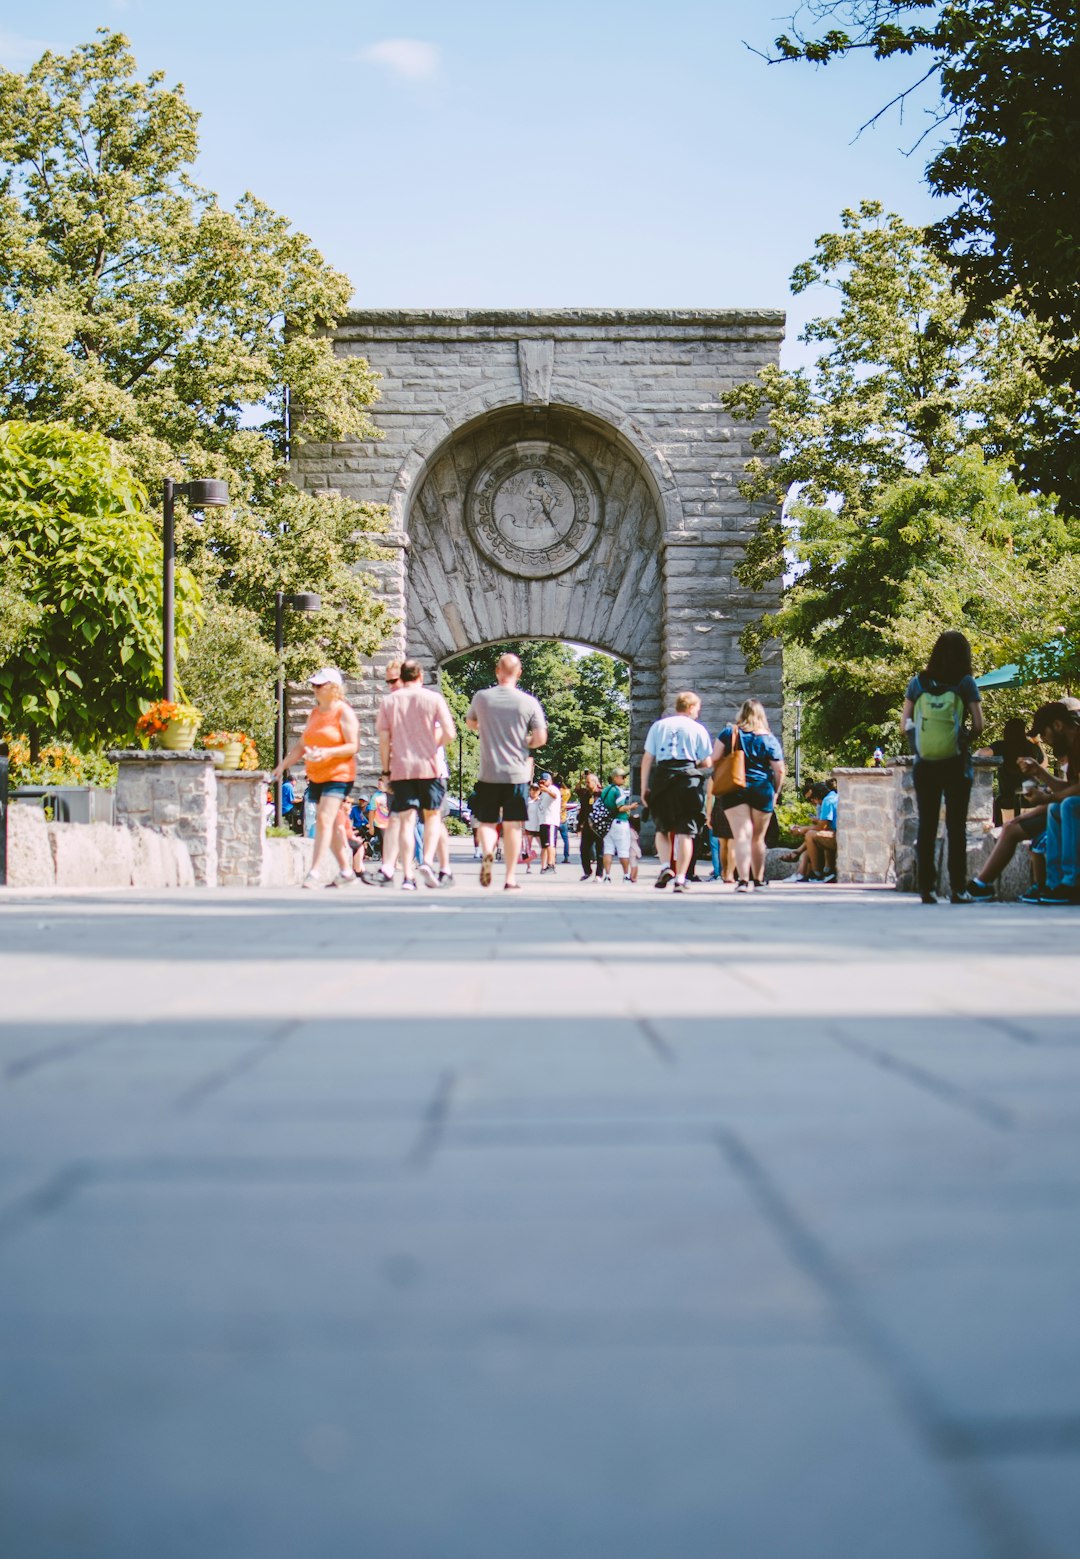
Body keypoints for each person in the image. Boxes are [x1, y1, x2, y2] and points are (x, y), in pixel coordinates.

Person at [902, 630, 983, 903]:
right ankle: (958, 889)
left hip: (925, 765)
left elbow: (904, 725)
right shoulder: (965, 682)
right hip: (956, 764)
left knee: (926, 825)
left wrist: (921, 745)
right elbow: (979, 725)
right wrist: (961, 741)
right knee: (956, 827)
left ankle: (927, 888)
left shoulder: (919, 682)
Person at [364, 658, 456, 891]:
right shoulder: (433, 699)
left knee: (405, 820)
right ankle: (426, 861)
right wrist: (430, 746)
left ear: (403, 678)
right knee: (433, 817)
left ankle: (407, 876)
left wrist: (386, 769)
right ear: (421, 676)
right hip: (430, 767)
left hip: (401, 768)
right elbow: (449, 733)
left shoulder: (390, 701)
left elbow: (384, 739)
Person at [465, 653, 548, 890]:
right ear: (519, 672)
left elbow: (471, 723)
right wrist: (524, 742)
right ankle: (510, 878)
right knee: (513, 825)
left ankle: (488, 852)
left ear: (497, 671)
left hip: (489, 773)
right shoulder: (528, 702)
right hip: (517, 774)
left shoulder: (482, 698)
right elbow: (541, 738)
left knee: (488, 822)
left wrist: (486, 726)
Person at [271, 667, 359, 889]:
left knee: (323, 819)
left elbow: (353, 746)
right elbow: (303, 744)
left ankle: (314, 871)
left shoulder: (343, 712)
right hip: (317, 775)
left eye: (319, 685)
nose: (314, 689)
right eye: (313, 685)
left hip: (339, 774)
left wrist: (328, 752)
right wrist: (282, 766)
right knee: (335, 824)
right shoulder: (315, 713)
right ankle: (346, 871)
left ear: (334, 688)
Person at [641, 691, 713, 893]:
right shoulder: (698, 729)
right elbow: (707, 762)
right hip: (688, 779)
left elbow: (647, 758)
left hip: (663, 777)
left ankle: (665, 867)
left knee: (662, 829)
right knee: (686, 832)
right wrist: (691, 765)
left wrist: (644, 787)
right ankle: (681, 878)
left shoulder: (659, 726)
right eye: (697, 708)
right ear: (690, 707)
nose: (698, 712)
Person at [712, 699, 786, 893]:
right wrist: (776, 792)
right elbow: (779, 770)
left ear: (741, 713)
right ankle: (759, 879)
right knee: (758, 839)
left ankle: (743, 880)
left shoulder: (729, 733)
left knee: (741, 836)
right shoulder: (768, 738)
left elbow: (714, 758)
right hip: (762, 788)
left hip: (735, 788)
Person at [1014, 701, 1080, 904]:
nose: (1043, 740)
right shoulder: (1073, 748)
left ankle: (1071, 882)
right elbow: (1070, 787)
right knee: (1055, 807)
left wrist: (1049, 797)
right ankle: (1053, 883)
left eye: (1044, 732)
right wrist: (1040, 772)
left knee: (1067, 805)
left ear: (1058, 725)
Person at [977, 717, 1044, 825]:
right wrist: (1037, 743)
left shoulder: (1001, 746)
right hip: (1031, 796)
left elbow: (982, 754)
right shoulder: (1031, 747)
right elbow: (1043, 762)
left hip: (1007, 797)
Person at [600, 767, 636, 881]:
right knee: (623, 850)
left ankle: (607, 875)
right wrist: (631, 807)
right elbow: (620, 808)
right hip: (620, 822)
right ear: (615, 778)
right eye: (623, 777)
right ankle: (626, 875)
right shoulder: (618, 790)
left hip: (607, 823)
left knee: (608, 850)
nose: (624, 779)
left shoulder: (605, 790)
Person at [576, 770, 603, 880]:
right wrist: (579, 825)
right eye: (586, 783)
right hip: (587, 825)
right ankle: (587, 871)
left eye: (588, 782)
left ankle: (599, 874)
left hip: (599, 826)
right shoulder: (585, 794)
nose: (586, 785)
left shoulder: (601, 794)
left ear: (595, 782)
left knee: (600, 851)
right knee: (583, 849)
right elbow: (582, 811)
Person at [537, 771, 562, 873]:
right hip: (543, 821)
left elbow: (555, 796)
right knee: (545, 845)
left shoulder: (552, 789)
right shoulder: (542, 793)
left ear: (550, 781)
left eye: (544, 781)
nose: (542, 783)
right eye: (541, 781)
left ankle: (551, 865)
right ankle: (544, 866)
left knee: (550, 844)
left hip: (551, 821)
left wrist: (546, 790)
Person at [524, 782, 542, 872]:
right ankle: (528, 866)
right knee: (527, 848)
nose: (534, 791)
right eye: (533, 789)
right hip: (529, 827)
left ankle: (544, 865)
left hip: (538, 827)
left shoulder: (541, 801)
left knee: (543, 847)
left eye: (536, 789)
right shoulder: (527, 801)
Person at [555, 774, 572, 864]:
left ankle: (553, 857)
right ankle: (566, 857)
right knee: (565, 839)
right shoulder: (567, 792)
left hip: (555, 818)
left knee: (553, 839)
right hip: (563, 817)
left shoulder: (555, 792)